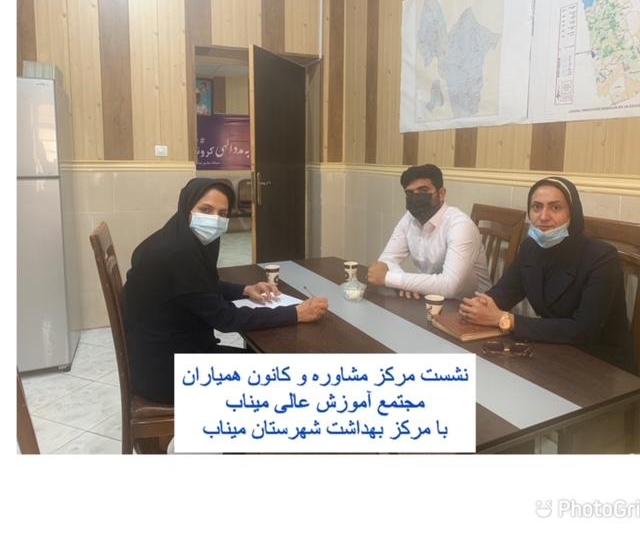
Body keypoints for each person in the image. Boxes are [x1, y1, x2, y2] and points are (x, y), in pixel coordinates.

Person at [123, 178, 328, 405]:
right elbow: (225, 318)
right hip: (169, 374)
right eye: (206, 210)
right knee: (287, 376)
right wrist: (295, 313)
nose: (215, 219)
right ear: (186, 206)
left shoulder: (176, 237)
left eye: (222, 213)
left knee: (264, 359)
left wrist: (245, 290)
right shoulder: (177, 254)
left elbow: (198, 287)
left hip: (165, 355)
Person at [459, 176, 637, 375]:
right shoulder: (530, 247)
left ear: (573, 213)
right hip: (552, 351)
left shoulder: (601, 257)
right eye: (536, 207)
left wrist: (506, 320)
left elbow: (584, 330)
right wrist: (478, 307)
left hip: (602, 365)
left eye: (555, 208)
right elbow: (504, 292)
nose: (543, 217)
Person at [367, 164, 491, 299]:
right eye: (410, 193)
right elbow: (385, 261)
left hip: (471, 303)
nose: (416, 197)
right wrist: (406, 283)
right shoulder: (409, 218)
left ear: (442, 194)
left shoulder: (460, 225)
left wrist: (392, 279)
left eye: (423, 190)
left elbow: (450, 286)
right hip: (430, 298)